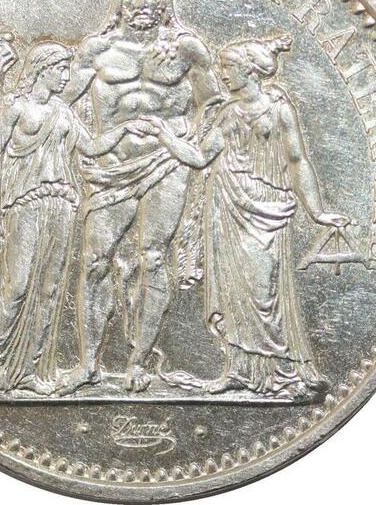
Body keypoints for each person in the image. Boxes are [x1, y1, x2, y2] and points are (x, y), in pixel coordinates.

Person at [144, 36, 348, 399]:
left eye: (229, 67)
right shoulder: (229, 113)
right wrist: (164, 136)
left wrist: (317, 212)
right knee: (231, 291)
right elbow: (199, 157)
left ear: (251, 71)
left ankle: (285, 372)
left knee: (263, 290)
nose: (222, 74)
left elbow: (297, 161)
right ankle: (239, 370)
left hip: (267, 207)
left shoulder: (279, 110)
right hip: (227, 205)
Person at [56, 0, 221, 394]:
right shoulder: (97, 50)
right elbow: (61, 103)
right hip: (111, 165)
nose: (143, 3)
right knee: (95, 260)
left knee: (153, 256)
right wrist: (88, 144)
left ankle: (139, 361)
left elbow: (214, 103)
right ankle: (88, 364)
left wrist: (189, 143)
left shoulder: (187, 48)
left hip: (166, 163)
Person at [0, 39, 143, 397]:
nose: (66, 76)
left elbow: (91, 148)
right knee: (16, 287)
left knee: (49, 291)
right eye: (61, 69)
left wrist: (126, 130)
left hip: (61, 205)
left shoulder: (63, 112)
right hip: (25, 203)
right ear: (42, 70)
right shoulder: (15, 107)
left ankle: (31, 371)